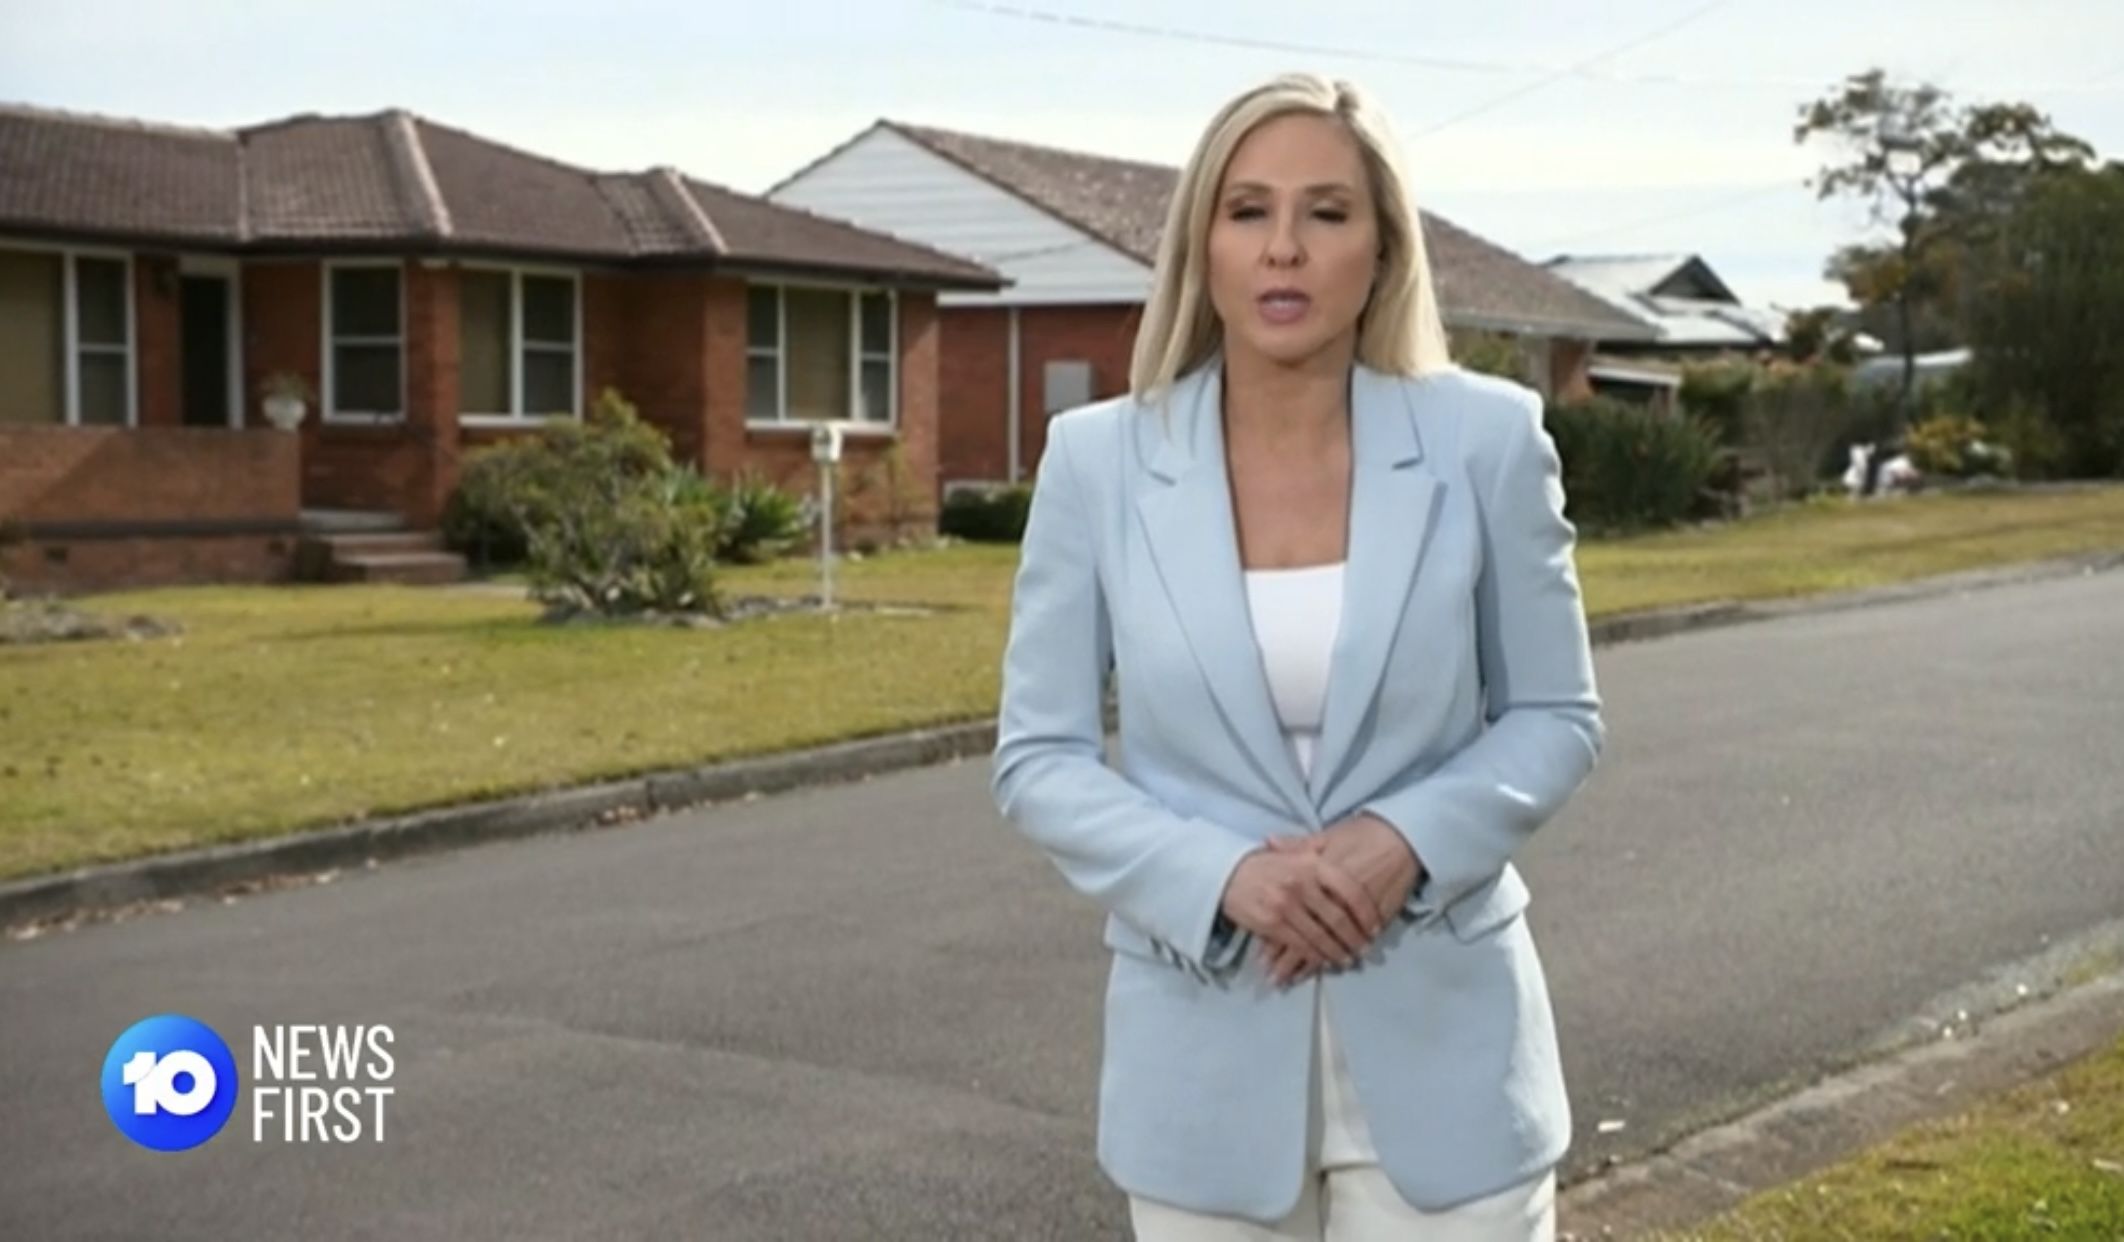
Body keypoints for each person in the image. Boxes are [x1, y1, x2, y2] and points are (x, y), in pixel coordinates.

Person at [990, 71, 1605, 1240]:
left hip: (1451, 1068)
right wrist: (1225, 878)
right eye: (1248, 211)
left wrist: (1404, 843)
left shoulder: (1486, 441)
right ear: (1203, 245)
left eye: (1326, 213)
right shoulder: (1095, 463)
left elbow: (1556, 716)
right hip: (1200, 1070)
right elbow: (1040, 758)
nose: (1284, 249)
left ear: (1383, 248)